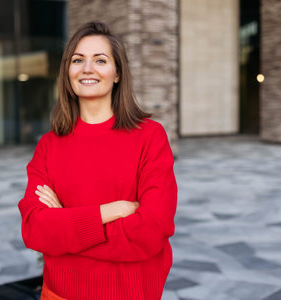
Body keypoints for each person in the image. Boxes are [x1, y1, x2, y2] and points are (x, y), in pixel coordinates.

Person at [18, 22, 177, 300]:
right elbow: (35, 229)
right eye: (78, 60)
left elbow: (151, 231)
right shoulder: (48, 146)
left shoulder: (149, 137)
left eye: (100, 60)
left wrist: (65, 230)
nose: (87, 69)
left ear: (117, 74)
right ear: (67, 72)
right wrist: (110, 211)